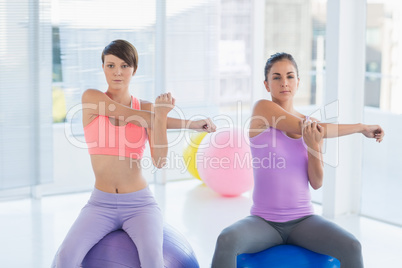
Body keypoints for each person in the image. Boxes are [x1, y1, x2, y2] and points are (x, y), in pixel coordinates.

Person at [52, 39, 216, 268]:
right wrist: (185, 122)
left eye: (124, 66)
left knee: (153, 262)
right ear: (103, 68)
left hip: (140, 204)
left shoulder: (149, 109)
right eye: (110, 66)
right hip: (100, 203)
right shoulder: (91, 99)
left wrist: (162, 118)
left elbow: (159, 161)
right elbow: (128, 115)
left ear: (134, 69)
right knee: (65, 258)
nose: (117, 72)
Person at [211, 52, 384, 268]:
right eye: (276, 77)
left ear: (298, 82)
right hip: (264, 222)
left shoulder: (312, 127)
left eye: (290, 76)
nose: (284, 82)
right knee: (226, 239)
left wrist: (313, 148)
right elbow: (310, 129)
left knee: (352, 246)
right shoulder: (262, 111)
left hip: (303, 221)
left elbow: (317, 182)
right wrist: (361, 127)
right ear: (266, 84)